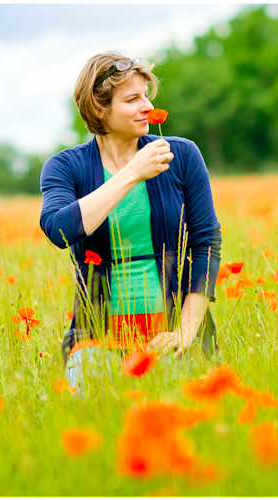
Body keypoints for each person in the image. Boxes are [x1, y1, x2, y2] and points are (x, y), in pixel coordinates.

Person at [39, 51, 222, 394]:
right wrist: (132, 174)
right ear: (98, 108)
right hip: (97, 338)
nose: (146, 107)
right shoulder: (66, 167)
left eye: (146, 96)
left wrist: (185, 329)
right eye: (132, 99)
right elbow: (59, 229)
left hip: (172, 331)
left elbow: (206, 243)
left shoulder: (180, 155)